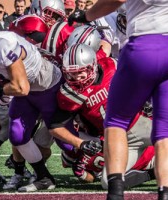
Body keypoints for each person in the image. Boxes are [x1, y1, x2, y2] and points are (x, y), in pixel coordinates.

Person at [67, 1, 168, 199]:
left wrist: (86, 16)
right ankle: (166, 194)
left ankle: (115, 193)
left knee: (116, 122)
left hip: (144, 43)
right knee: (167, 132)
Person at [0, 19, 62, 192]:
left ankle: (101, 162)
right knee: (17, 134)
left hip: (46, 86)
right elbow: (12, 85)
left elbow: (21, 87)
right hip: (26, 92)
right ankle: (44, 178)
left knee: (65, 141)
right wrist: (1, 91)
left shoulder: (2, 46)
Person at [49, 43, 155, 189]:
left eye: (81, 72)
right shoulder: (70, 94)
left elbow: (137, 79)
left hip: (140, 122)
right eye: (71, 73)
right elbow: (55, 127)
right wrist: (80, 143)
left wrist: (146, 98)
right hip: (116, 139)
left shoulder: (111, 66)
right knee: (108, 183)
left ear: (93, 65)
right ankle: (153, 172)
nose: (76, 78)